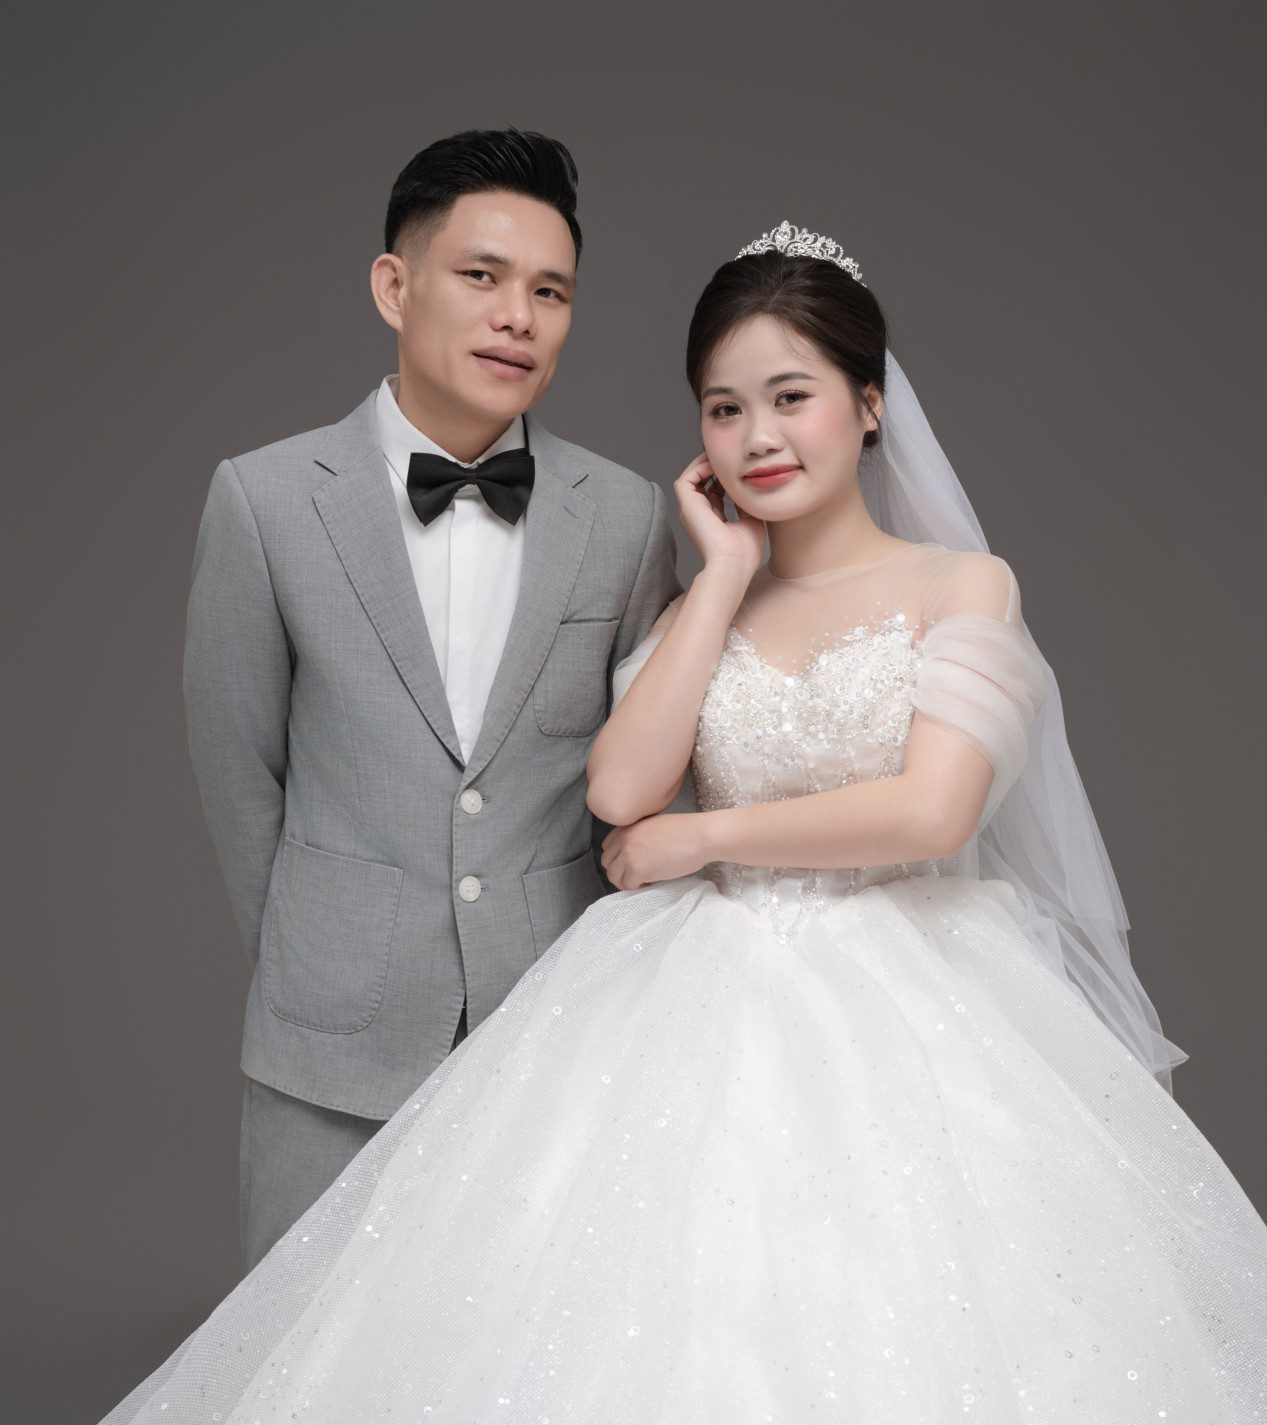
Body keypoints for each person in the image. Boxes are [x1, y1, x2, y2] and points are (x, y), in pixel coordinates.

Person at [104, 224, 1266, 1422]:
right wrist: (718, 580)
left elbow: (933, 810)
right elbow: (619, 793)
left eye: (790, 397)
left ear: (868, 404)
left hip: (911, 990)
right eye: (723, 409)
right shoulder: (701, 595)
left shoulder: (959, 585)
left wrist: (704, 839)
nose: (756, 437)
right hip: (693, 991)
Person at [181, 128, 682, 1273]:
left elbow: (644, 780)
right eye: (482, 276)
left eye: (549, 292)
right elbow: (236, 769)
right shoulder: (263, 502)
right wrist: (323, 954)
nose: (518, 317)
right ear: (393, 287)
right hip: (327, 1047)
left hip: (553, 1038)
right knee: (306, 1352)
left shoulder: (626, 516)